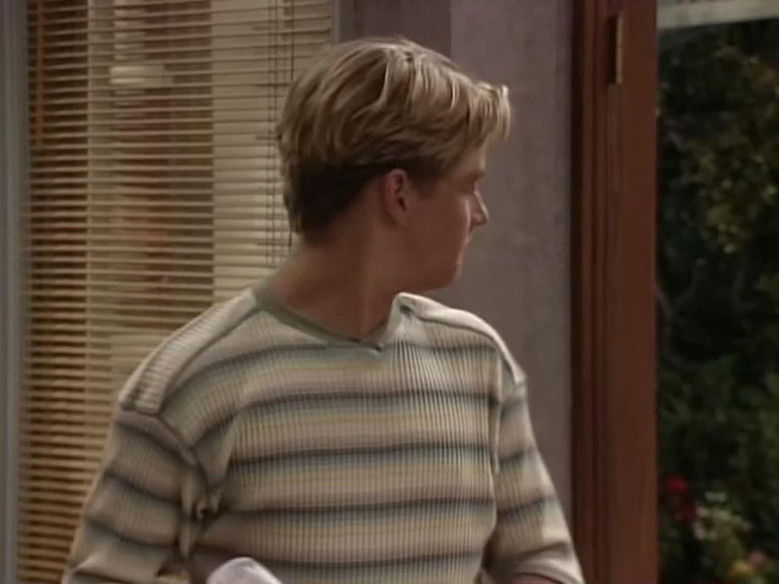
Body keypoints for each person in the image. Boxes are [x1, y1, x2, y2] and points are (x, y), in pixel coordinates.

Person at [63, 37, 584, 584]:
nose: (480, 213)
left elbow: (542, 565)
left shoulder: (478, 364)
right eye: (469, 185)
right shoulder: (191, 388)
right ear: (399, 194)